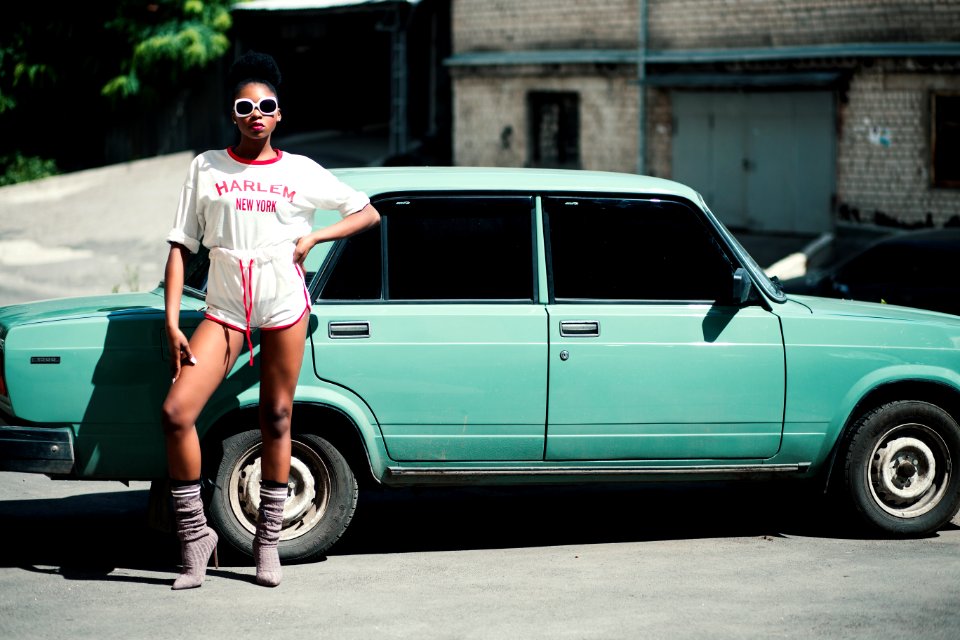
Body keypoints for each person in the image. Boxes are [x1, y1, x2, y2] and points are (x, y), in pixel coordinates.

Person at [161, 51, 380, 590]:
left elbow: (366, 211)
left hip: (283, 306)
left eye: (266, 106)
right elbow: (178, 246)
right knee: (175, 411)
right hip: (226, 310)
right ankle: (196, 537)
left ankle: (267, 542)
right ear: (232, 115)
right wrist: (172, 321)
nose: (256, 113)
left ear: (279, 114)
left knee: (277, 416)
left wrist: (314, 237)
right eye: (245, 106)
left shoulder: (300, 171)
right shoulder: (206, 167)